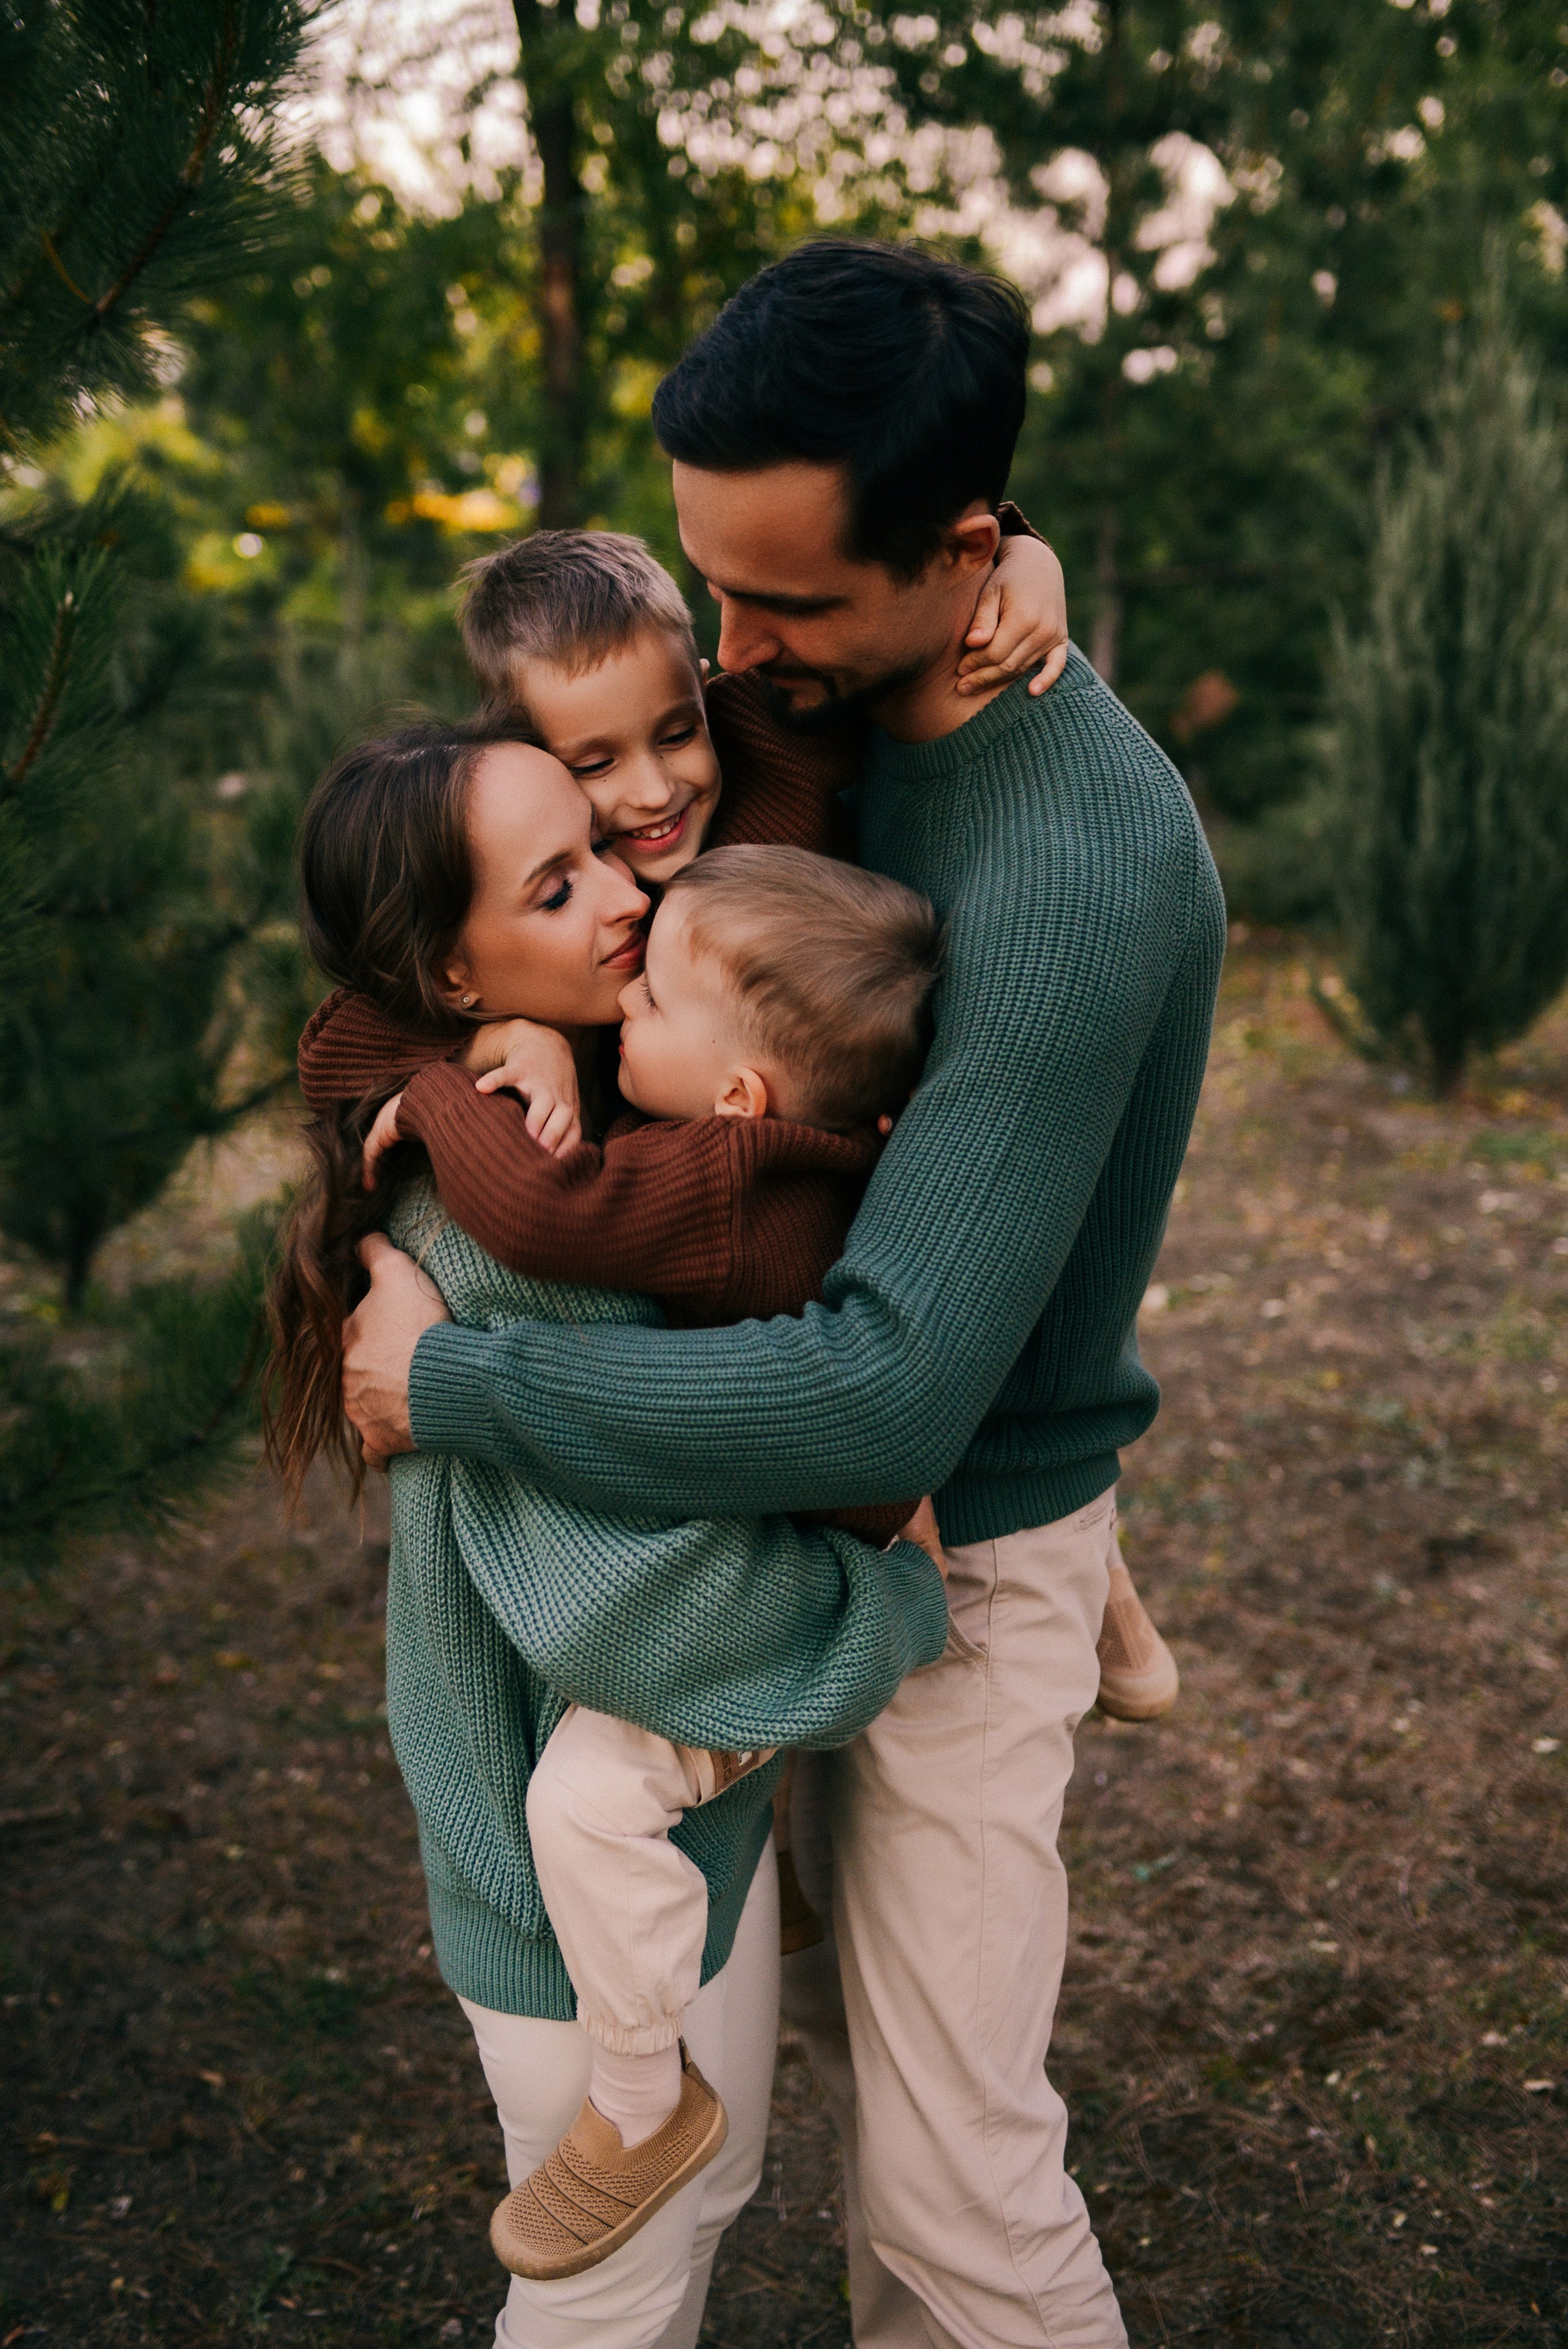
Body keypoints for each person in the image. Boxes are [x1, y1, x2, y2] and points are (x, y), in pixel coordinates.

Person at [341, 238, 1225, 2349]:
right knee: (810, 2071)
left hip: (949, 1541)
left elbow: (887, 1394)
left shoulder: (1079, 860)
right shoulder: (803, 704)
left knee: (954, 2193)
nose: (736, 661)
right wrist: (488, 1036)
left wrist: (455, 1385)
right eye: (713, 587)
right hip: (758, 1530)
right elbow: (462, 908)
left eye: (788, 606)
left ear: (965, 559)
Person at [266, 720, 949, 2349]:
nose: (630, 892)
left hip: (671, 1843)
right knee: (608, 2302)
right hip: (569, 1882)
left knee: (701, 2207)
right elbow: (633, 1610)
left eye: (595, 843)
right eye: (558, 883)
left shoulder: (597, 1097)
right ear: (453, 970)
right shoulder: (509, 1231)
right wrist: (893, 1601)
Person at [305, 521, 1177, 1724]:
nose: (653, 790)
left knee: (940, 1365)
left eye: (676, 732)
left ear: (703, 694)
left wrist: (1020, 557)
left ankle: (1083, 1568)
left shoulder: (762, 752)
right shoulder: (565, 908)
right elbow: (339, 1043)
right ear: (536, 767)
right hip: (749, 1210)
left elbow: (885, 611)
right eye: (595, 764)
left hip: (888, 1143)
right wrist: (501, 1040)